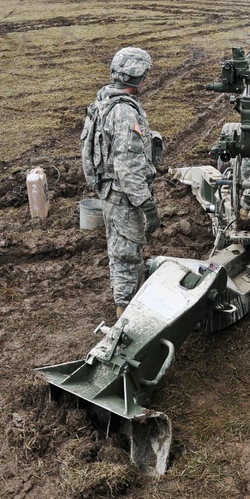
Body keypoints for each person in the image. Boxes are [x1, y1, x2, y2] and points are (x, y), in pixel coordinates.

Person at [81, 47, 162, 319]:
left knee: (117, 249)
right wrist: (147, 204)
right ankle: (126, 315)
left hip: (108, 192)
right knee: (128, 254)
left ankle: (123, 298)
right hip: (124, 196)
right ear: (139, 77)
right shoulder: (125, 112)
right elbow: (128, 166)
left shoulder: (104, 100)